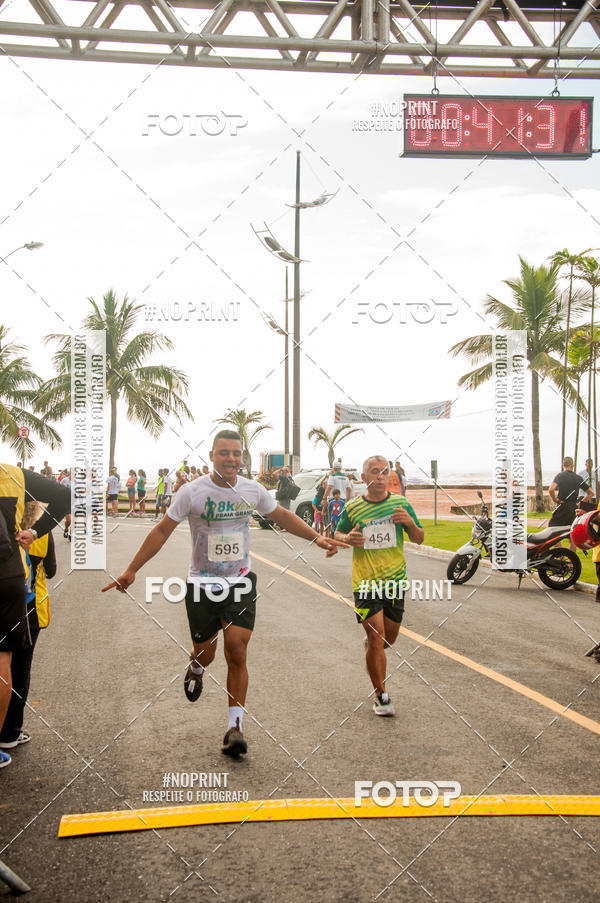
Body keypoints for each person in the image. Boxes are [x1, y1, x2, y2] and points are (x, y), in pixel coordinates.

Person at [102, 431, 347, 759]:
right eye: (224, 453)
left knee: (237, 650)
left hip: (240, 582)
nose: (231, 459)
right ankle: (197, 667)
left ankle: (236, 727)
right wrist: (132, 569)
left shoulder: (252, 490)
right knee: (206, 653)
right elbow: (162, 529)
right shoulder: (192, 492)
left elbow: (283, 517)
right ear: (212, 455)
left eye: (236, 454)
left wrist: (317, 538)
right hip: (201, 585)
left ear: (241, 458)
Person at [333, 455, 424, 718]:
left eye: (384, 471)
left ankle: (373, 650)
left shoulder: (401, 504)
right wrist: (347, 537)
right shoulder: (353, 508)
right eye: (374, 471)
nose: (381, 476)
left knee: (388, 639)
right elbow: (336, 534)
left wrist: (408, 522)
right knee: (376, 635)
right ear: (364, 478)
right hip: (364, 583)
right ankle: (381, 696)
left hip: (395, 582)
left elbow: (419, 538)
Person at [0, 464, 70, 768]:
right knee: (16, 664)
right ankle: (10, 731)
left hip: (16, 591)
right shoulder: (12, 477)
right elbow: (51, 570)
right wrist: (35, 534)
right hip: (25, 599)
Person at [0, 501, 56, 752]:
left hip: (5, 604)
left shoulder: (6, 529)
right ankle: (11, 731)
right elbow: (52, 570)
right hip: (32, 609)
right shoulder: (42, 533)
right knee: (21, 670)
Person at [549, 457, 592, 529]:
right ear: (572, 465)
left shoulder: (560, 476)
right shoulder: (578, 477)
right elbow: (590, 493)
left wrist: (555, 500)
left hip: (562, 506)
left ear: (563, 465)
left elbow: (551, 489)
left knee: (552, 530)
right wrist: (579, 503)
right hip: (573, 508)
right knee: (570, 531)